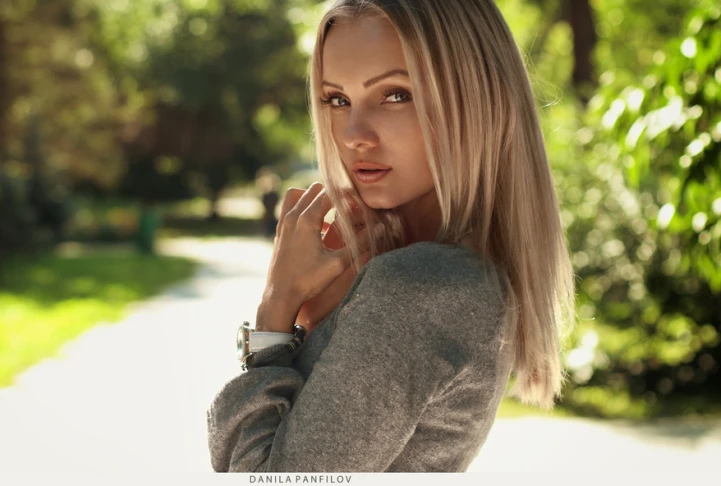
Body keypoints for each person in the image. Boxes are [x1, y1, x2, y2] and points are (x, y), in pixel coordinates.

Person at [207, 0, 576, 472]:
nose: (354, 134)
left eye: (396, 94)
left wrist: (275, 310)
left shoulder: (418, 286)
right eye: (337, 100)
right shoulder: (448, 273)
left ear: (478, 100)